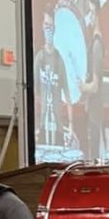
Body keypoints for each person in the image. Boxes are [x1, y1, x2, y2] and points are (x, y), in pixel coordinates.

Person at [33, 8, 73, 152]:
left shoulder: (59, 59)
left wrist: (71, 125)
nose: (48, 29)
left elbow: (67, 94)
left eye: (51, 26)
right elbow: (34, 94)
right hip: (43, 126)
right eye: (46, 25)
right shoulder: (39, 58)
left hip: (58, 128)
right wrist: (36, 126)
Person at [80, 0, 105, 160]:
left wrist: (81, 86)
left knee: (94, 150)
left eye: (90, 11)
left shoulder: (97, 45)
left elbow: (95, 86)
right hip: (92, 106)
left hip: (95, 108)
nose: (88, 16)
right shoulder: (93, 42)